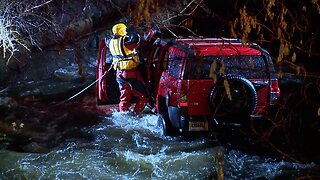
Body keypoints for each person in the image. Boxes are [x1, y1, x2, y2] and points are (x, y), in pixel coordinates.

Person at [108, 23, 149, 115]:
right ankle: (136, 114)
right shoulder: (126, 42)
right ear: (121, 30)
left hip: (119, 73)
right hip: (130, 73)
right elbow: (137, 41)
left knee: (124, 96)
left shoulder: (111, 42)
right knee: (144, 95)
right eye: (125, 30)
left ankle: (123, 114)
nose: (126, 31)